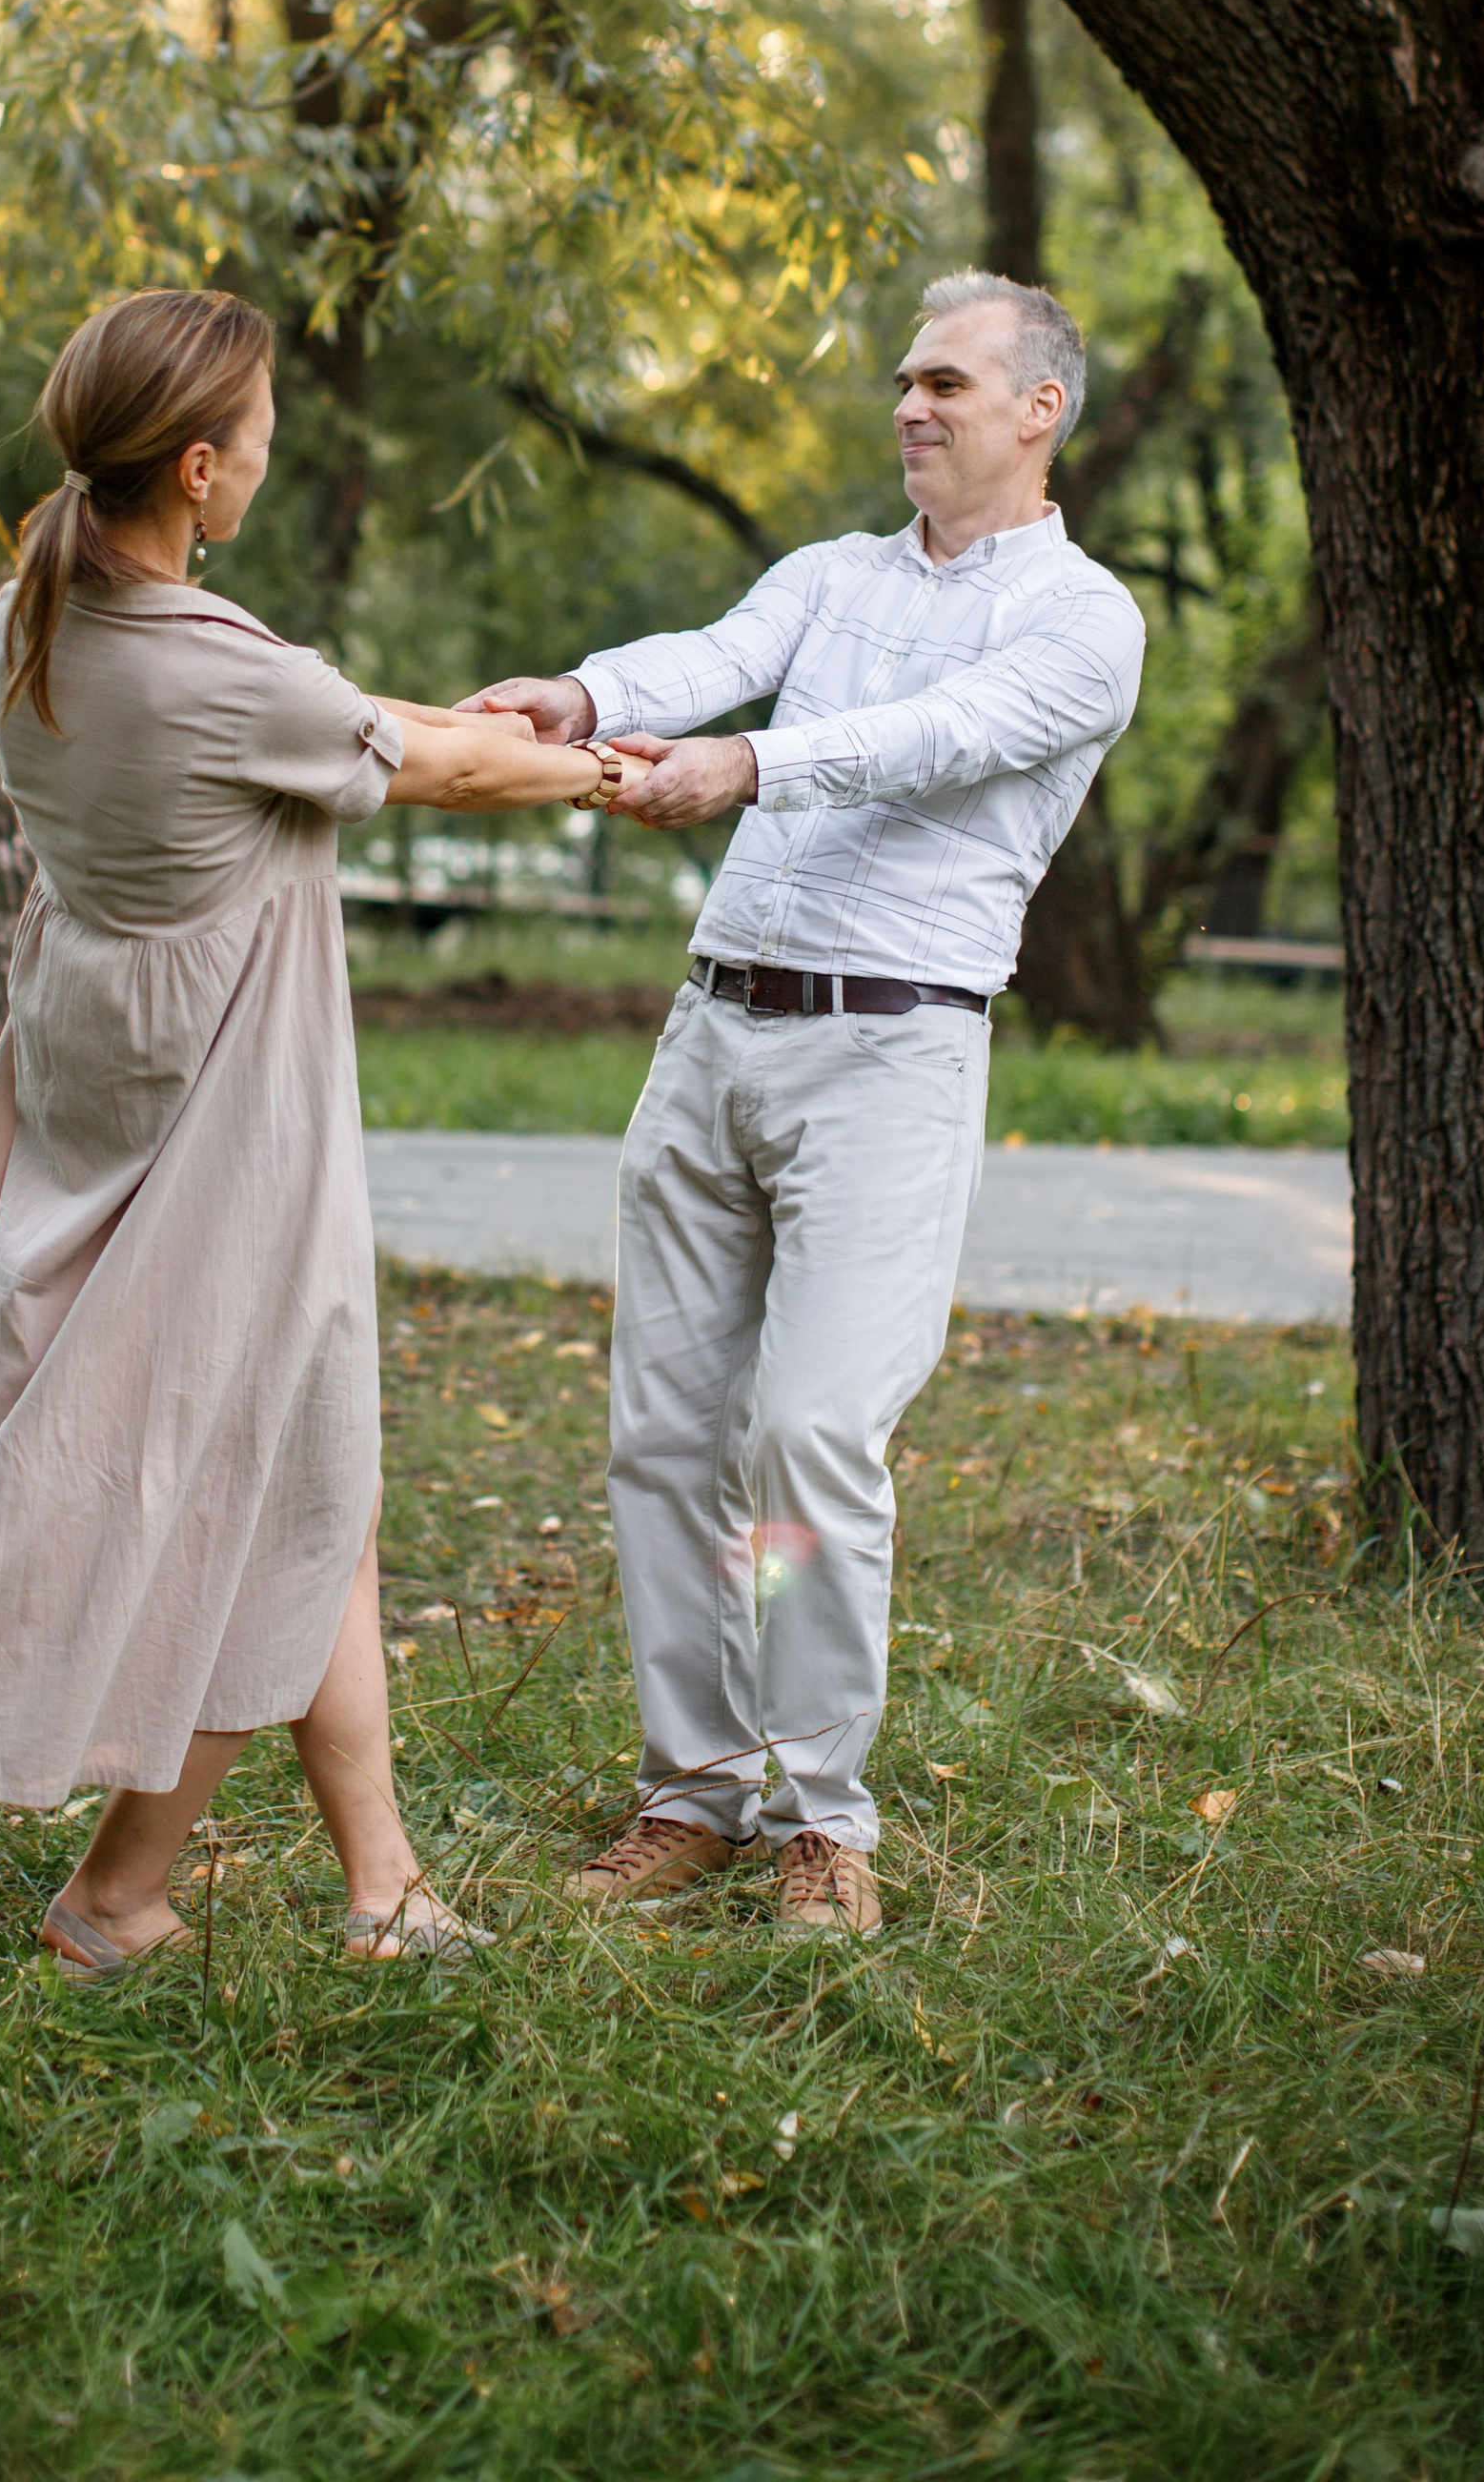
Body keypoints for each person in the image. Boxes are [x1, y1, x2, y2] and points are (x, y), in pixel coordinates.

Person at [0, 287, 650, 1971]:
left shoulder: (38, 607)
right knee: (274, 1487)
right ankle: (114, 1897)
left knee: (313, 1476)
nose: (264, 458)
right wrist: (617, 771)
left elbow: (327, 710)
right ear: (193, 467)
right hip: (225, 1096)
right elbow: (424, 769)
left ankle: (383, 1886)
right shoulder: (215, 670)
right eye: (252, 441)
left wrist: (487, 721)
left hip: (98, 1052)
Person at [459, 271, 1145, 1938]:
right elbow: (716, 656)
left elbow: (936, 736)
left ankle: (820, 1817)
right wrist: (589, 699)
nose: (910, 405)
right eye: (905, 382)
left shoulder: (1083, 621)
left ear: (1039, 408)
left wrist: (754, 764)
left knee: (808, 1436)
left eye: (947, 382)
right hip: (712, 1040)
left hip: (892, 1057)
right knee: (669, 1440)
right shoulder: (832, 577)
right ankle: (691, 1796)